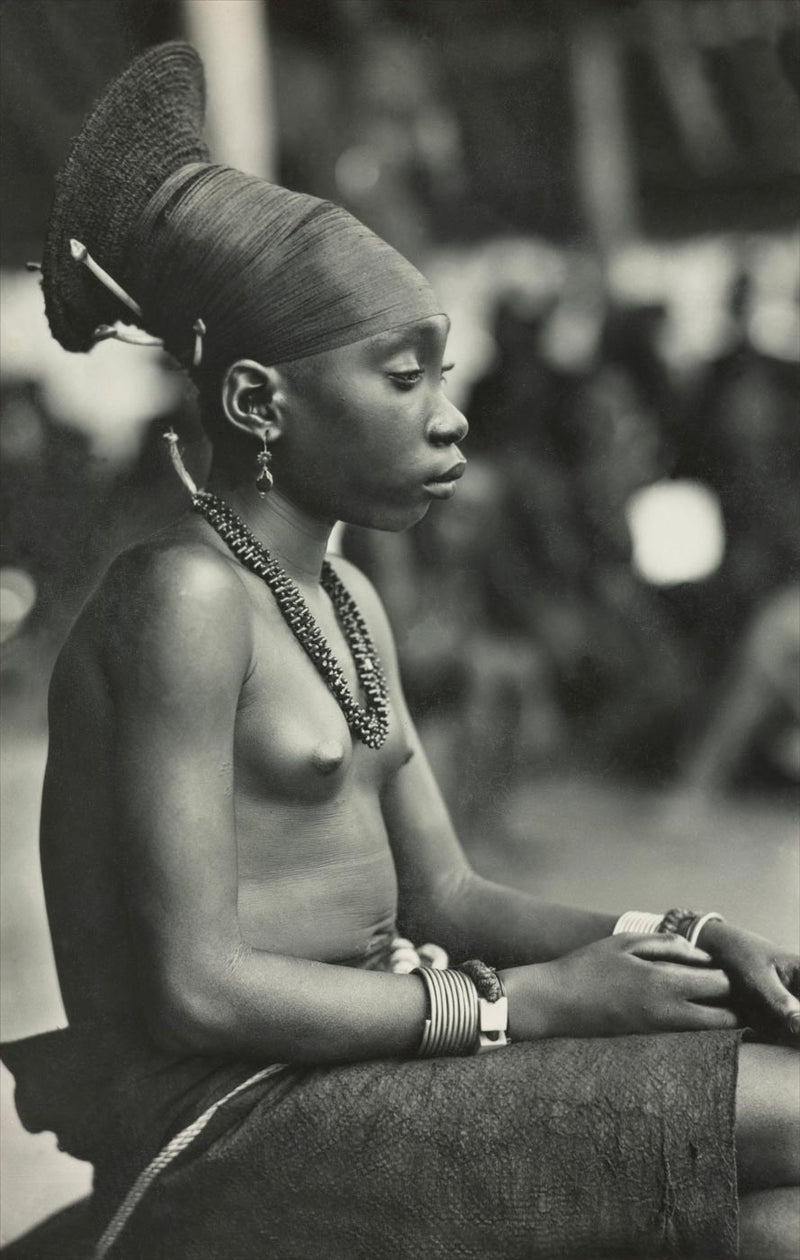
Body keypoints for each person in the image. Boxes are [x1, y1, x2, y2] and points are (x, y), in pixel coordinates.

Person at [2, 42, 798, 1260]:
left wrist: (674, 936)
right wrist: (518, 1006)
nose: (449, 412)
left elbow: (446, 899)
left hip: (376, 1056)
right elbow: (195, 988)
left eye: (444, 370)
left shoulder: (346, 595)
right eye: (400, 375)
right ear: (260, 404)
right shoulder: (178, 602)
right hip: (232, 1116)